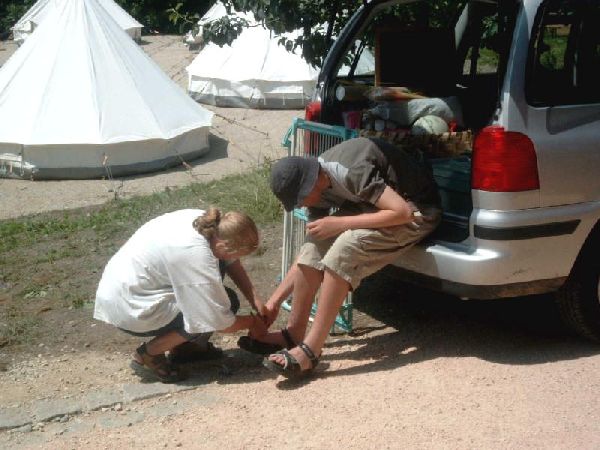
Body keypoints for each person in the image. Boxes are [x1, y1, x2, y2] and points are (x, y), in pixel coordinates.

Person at [241, 137, 442, 377]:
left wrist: (342, 223)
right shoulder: (319, 183)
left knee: (346, 246)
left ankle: (311, 350)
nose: (301, 204)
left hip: (417, 209)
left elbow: (403, 213)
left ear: (311, 183)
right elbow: (313, 252)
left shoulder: (352, 169)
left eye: (300, 198)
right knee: (314, 243)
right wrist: (273, 302)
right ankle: (293, 333)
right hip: (373, 207)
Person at [94, 207, 267, 383]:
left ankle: (188, 349)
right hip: (133, 307)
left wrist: (256, 300)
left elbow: (230, 261)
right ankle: (149, 353)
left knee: (223, 298)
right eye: (239, 253)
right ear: (223, 246)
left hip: (126, 291)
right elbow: (218, 321)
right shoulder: (196, 254)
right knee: (216, 308)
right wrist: (253, 322)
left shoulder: (209, 223)